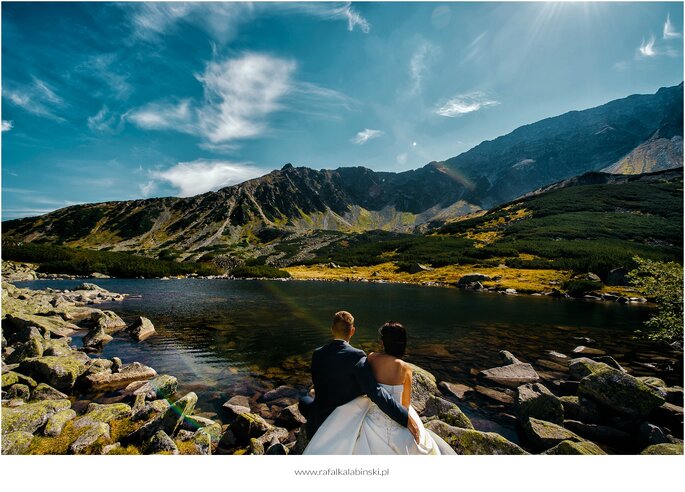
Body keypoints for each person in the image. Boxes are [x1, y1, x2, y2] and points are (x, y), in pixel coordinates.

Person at [303, 320, 455, 455]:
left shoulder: (371, 357)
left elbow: (365, 386)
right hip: (394, 409)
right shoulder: (405, 369)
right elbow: (405, 405)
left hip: (371, 412)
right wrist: (406, 418)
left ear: (383, 342)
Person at [298, 311, 420, 443]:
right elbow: (375, 391)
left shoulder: (317, 353)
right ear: (352, 331)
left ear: (332, 329)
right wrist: (404, 417)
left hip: (319, 415)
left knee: (304, 400)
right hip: (343, 416)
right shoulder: (357, 356)